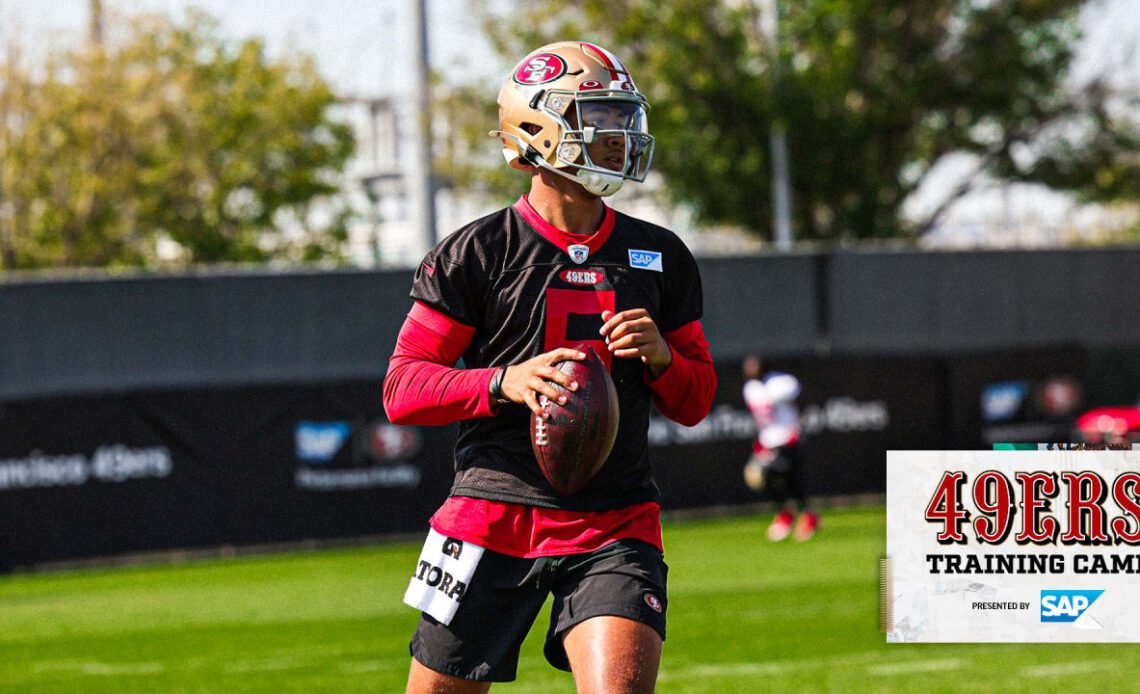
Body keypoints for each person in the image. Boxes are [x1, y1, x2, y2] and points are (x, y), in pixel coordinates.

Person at [383, 41, 716, 693]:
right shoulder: (474, 253)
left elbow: (696, 401)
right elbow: (403, 388)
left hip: (615, 520)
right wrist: (506, 381)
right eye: (601, 118)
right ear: (538, 131)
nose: (620, 135)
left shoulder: (660, 254)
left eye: (623, 118)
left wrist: (662, 358)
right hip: (487, 516)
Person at [741, 355, 817, 542]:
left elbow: (802, 403)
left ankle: (802, 515)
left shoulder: (781, 383)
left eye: (754, 364)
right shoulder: (751, 389)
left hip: (788, 438)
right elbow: (760, 420)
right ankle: (788, 513)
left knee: (785, 478)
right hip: (768, 441)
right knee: (763, 477)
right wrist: (760, 442)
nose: (750, 368)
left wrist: (799, 426)